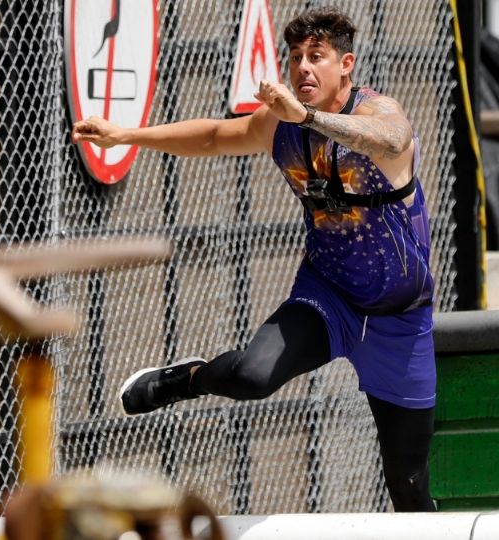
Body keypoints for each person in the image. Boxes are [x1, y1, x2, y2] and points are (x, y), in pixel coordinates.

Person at [71, 7, 436, 512]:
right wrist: (126, 135)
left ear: (345, 65)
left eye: (317, 57)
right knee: (251, 377)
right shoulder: (279, 126)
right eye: (295, 57)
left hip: (400, 317)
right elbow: (213, 136)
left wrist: (308, 116)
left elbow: (393, 138)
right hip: (328, 296)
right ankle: (188, 380)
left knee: (409, 486)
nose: (303, 68)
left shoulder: (377, 114)